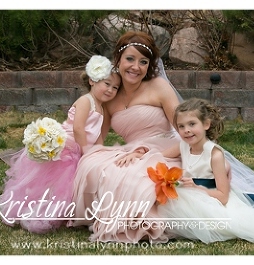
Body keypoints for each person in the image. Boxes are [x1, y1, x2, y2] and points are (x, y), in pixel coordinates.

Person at [120, 98, 254, 243]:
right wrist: (140, 154)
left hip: (210, 196)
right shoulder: (183, 145)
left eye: (192, 124)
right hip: (188, 190)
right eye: (181, 126)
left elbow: (223, 196)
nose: (186, 130)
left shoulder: (215, 155)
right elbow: (160, 155)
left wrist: (196, 187)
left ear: (206, 124)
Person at [69, 31, 183, 243]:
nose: (135, 67)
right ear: (118, 60)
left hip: (163, 149)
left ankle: (135, 223)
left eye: (143, 62)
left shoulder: (159, 87)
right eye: (130, 59)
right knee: (98, 165)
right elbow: (99, 138)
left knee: (133, 177)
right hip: (129, 151)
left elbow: (186, 133)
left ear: (149, 65)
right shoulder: (111, 94)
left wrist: (149, 153)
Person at [0, 55, 120, 233]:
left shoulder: (102, 107)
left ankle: (68, 214)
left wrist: (100, 150)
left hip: (80, 149)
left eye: (115, 87)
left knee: (71, 186)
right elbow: (79, 128)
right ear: (93, 80)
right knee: (56, 186)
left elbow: (97, 134)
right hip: (67, 149)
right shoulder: (86, 101)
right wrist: (86, 150)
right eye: (107, 84)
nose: (110, 90)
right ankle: (38, 212)